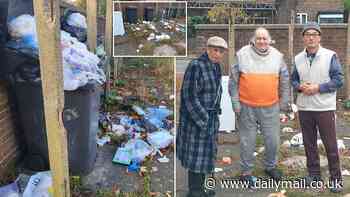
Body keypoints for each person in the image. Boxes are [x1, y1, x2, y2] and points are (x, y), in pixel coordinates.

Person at [229, 27, 290, 184]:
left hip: (270, 106)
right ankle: (246, 172)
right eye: (259, 38)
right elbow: (233, 81)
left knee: (273, 141)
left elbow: (284, 80)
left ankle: (270, 166)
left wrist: (283, 103)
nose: (262, 41)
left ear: (269, 40)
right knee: (247, 141)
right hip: (246, 106)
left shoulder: (278, 57)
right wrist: (236, 103)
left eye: (265, 38)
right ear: (253, 40)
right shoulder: (242, 54)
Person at [291, 22, 344, 193]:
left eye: (314, 34)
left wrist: (318, 88)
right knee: (309, 143)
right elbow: (293, 80)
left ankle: (336, 179)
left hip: (324, 108)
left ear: (319, 37)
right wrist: (300, 87)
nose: (311, 37)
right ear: (303, 38)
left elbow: (338, 80)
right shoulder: (298, 58)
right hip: (305, 107)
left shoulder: (330, 56)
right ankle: (314, 175)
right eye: (307, 34)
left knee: (330, 145)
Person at [176, 36, 227, 197]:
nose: (218, 54)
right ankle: (195, 192)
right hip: (195, 121)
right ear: (208, 49)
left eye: (221, 52)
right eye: (215, 50)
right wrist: (203, 119)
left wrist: (214, 117)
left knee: (209, 157)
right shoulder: (196, 66)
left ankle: (207, 189)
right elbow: (189, 96)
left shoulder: (216, 67)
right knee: (196, 159)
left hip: (211, 119)